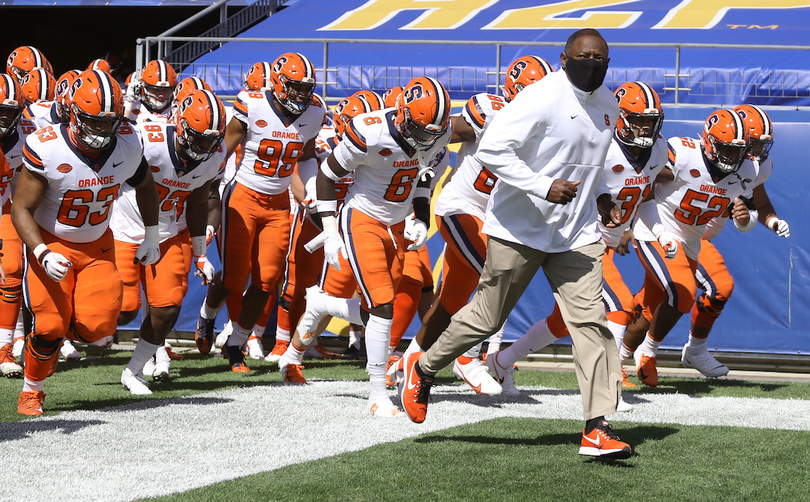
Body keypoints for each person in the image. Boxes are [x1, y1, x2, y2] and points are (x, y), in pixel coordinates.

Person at [399, 29, 633, 459]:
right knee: (485, 318)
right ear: (565, 59)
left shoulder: (608, 103)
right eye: (585, 56)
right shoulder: (541, 97)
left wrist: (602, 197)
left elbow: (592, 163)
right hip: (519, 228)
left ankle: (597, 427)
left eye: (601, 58)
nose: (593, 64)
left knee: (591, 326)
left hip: (575, 234)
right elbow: (492, 149)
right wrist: (543, 186)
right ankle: (424, 366)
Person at [485, 80, 670, 408]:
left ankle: (500, 361)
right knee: (619, 307)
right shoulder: (602, 143)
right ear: (621, 119)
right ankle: (609, 389)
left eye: (649, 121)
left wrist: (658, 231)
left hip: (610, 238)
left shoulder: (657, 150)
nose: (644, 129)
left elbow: (646, 196)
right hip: (584, 238)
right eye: (637, 120)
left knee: (562, 321)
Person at [285, 76, 453, 417]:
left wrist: (421, 217)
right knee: (383, 307)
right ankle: (378, 394)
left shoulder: (436, 134)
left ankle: (321, 305)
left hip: (397, 222)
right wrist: (331, 232)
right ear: (403, 115)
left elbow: (423, 179)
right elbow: (327, 176)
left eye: (433, 134)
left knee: (378, 308)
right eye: (421, 131)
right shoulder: (370, 130)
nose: (427, 140)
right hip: (362, 218)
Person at [402, 55, 555, 397]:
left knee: (451, 302)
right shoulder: (491, 109)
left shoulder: (549, 127)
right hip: (460, 208)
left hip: (495, 221)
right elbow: (441, 134)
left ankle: (409, 363)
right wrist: (420, 179)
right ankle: (468, 358)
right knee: (498, 272)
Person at [12, 69, 160, 415]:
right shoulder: (46, 146)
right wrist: (41, 252)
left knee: (98, 331)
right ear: (72, 113)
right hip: (50, 241)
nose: (101, 130)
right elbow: (21, 208)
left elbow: (146, 186)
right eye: (93, 121)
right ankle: (32, 390)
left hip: (97, 246)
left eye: (108, 122)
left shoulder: (127, 140)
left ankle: (55, 341)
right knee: (49, 326)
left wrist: (152, 233)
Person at [194, 52, 323, 373]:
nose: (301, 96)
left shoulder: (315, 111)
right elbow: (222, 149)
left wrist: (310, 189)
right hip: (243, 197)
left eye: (306, 89)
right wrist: (201, 185)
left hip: (279, 201)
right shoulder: (252, 103)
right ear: (279, 83)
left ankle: (237, 343)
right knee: (236, 279)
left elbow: (306, 156)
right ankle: (208, 315)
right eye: (294, 88)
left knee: (267, 281)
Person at [619, 108, 759, 386]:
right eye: (726, 149)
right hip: (656, 232)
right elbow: (641, 181)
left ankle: (616, 359)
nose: (732, 157)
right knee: (683, 294)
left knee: (649, 309)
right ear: (708, 142)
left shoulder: (748, 168)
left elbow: (750, 213)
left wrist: (745, 220)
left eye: (738, 151)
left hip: (692, 241)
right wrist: (627, 223)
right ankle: (647, 352)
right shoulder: (682, 154)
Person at [116, 89, 226, 392]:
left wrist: (201, 254)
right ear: (180, 125)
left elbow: (199, 203)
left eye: (211, 140)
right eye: (199, 137)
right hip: (125, 226)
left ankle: (133, 371)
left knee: (167, 307)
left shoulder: (215, 155)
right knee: (124, 309)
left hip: (169, 231)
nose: (205, 146)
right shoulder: (145, 140)